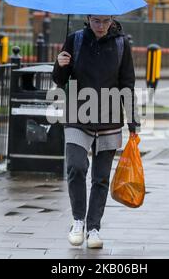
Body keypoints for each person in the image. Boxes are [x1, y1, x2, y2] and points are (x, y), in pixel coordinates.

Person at [52, 15, 139, 249]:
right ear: (88, 19)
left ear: (112, 20)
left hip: (109, 120)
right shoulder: (75, 40)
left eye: (105, 21)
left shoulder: (121, 44)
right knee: (76, 167)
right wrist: (59, 65)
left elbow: (127, 84)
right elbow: (60, 81)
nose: (100, 26)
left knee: (100, 178)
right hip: (77, 115)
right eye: (96, 21)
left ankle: (93, 228)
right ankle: (78, 221)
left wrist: (133, 121)